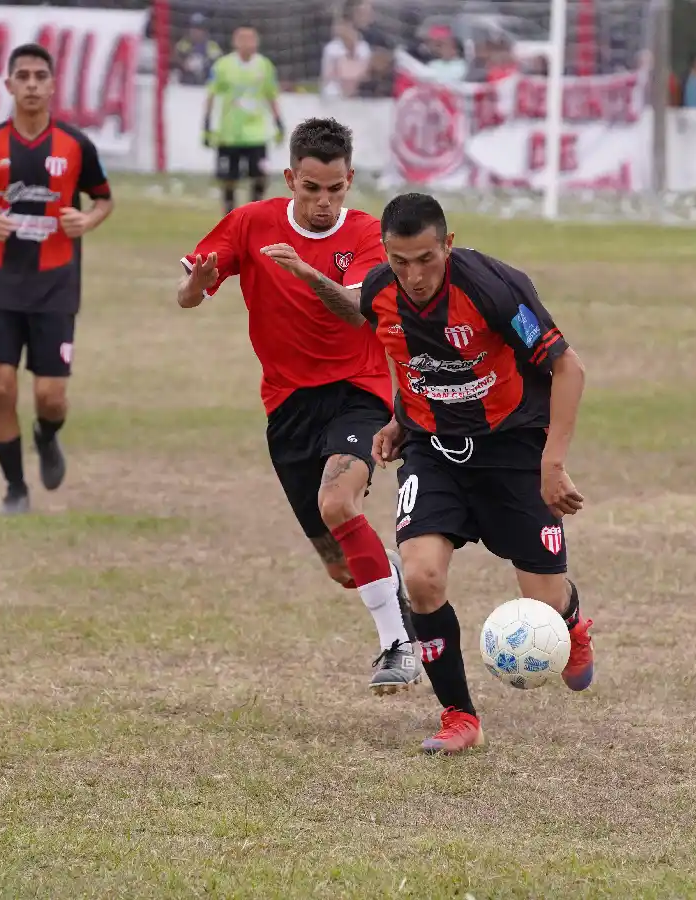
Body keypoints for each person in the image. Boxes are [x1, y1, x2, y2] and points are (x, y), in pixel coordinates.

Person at [272, 192, 595, 755]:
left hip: (513, 450)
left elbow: (567, 366)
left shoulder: (494, 287)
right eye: (399, 261)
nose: (414, 275)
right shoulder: (385, 289)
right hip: (433, 452)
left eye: (425, 259)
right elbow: (374, 319)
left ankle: (569, 619)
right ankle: (458, 717)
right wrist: (402, 418)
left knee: (541, 600)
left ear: (447, 244)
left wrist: (552, 461)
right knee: (421, 578)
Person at [176, 118, 418, 695]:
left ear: (349, 180)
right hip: (286, 405)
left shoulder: (365, 234)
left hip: (357, 392)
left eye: (335, 189)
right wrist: (197, 284)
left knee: (337, 501)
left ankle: (398, 645)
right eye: (310, 188)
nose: (322, 202)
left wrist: (306, 270)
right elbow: (187, 295)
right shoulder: (249, 223)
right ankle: (385, 573)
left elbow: (357, 310)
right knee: (340, 566)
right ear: (291, 178)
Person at [0, 43, 114, 514]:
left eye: (41, 75)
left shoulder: (76, 145)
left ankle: (47, 434)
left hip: (55, 282)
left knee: (50, 396)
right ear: (9, 85)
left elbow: (102, 198)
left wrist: (88, 220)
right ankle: (15, 489)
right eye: (24, 76)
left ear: (53, 85)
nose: (32, 84)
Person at [203, 26, 284, 216]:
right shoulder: (223, 66)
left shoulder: (264, 66)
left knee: (260, 176)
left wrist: (278, 122)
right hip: (229, 133)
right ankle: (230, 216)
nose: (247, 43)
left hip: (256, 134)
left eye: (251, 39)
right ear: (235, 42)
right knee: (228, 178)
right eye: (243, 39)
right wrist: (206, 124)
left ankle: (254, 214)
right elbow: (211, 95)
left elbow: (271, 95)